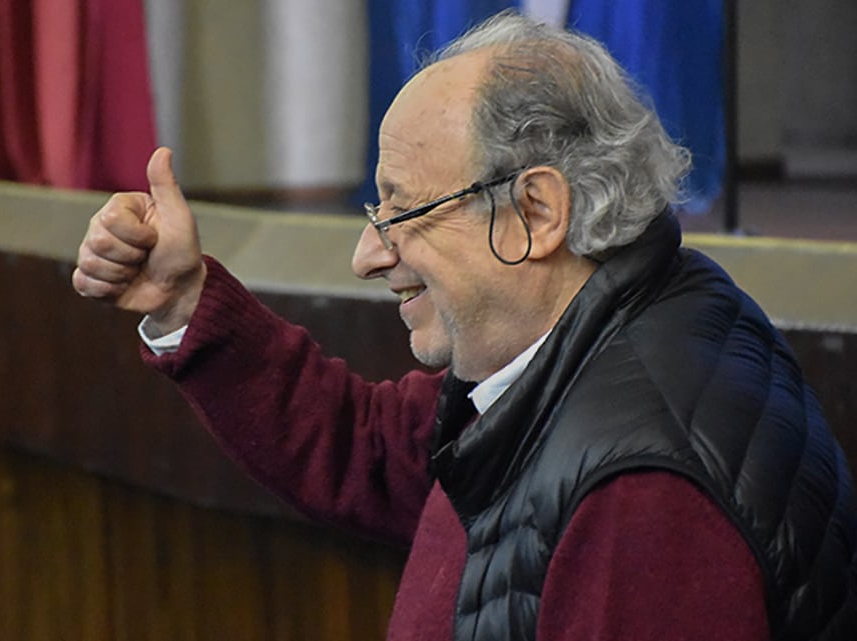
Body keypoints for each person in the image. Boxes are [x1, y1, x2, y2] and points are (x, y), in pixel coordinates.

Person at [72, 11, 857, 641]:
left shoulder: (643, 493)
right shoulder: (605, 327)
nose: (367, 256)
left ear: (537, 211)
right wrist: (184, 300)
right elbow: (369, 449)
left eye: (401, 211)